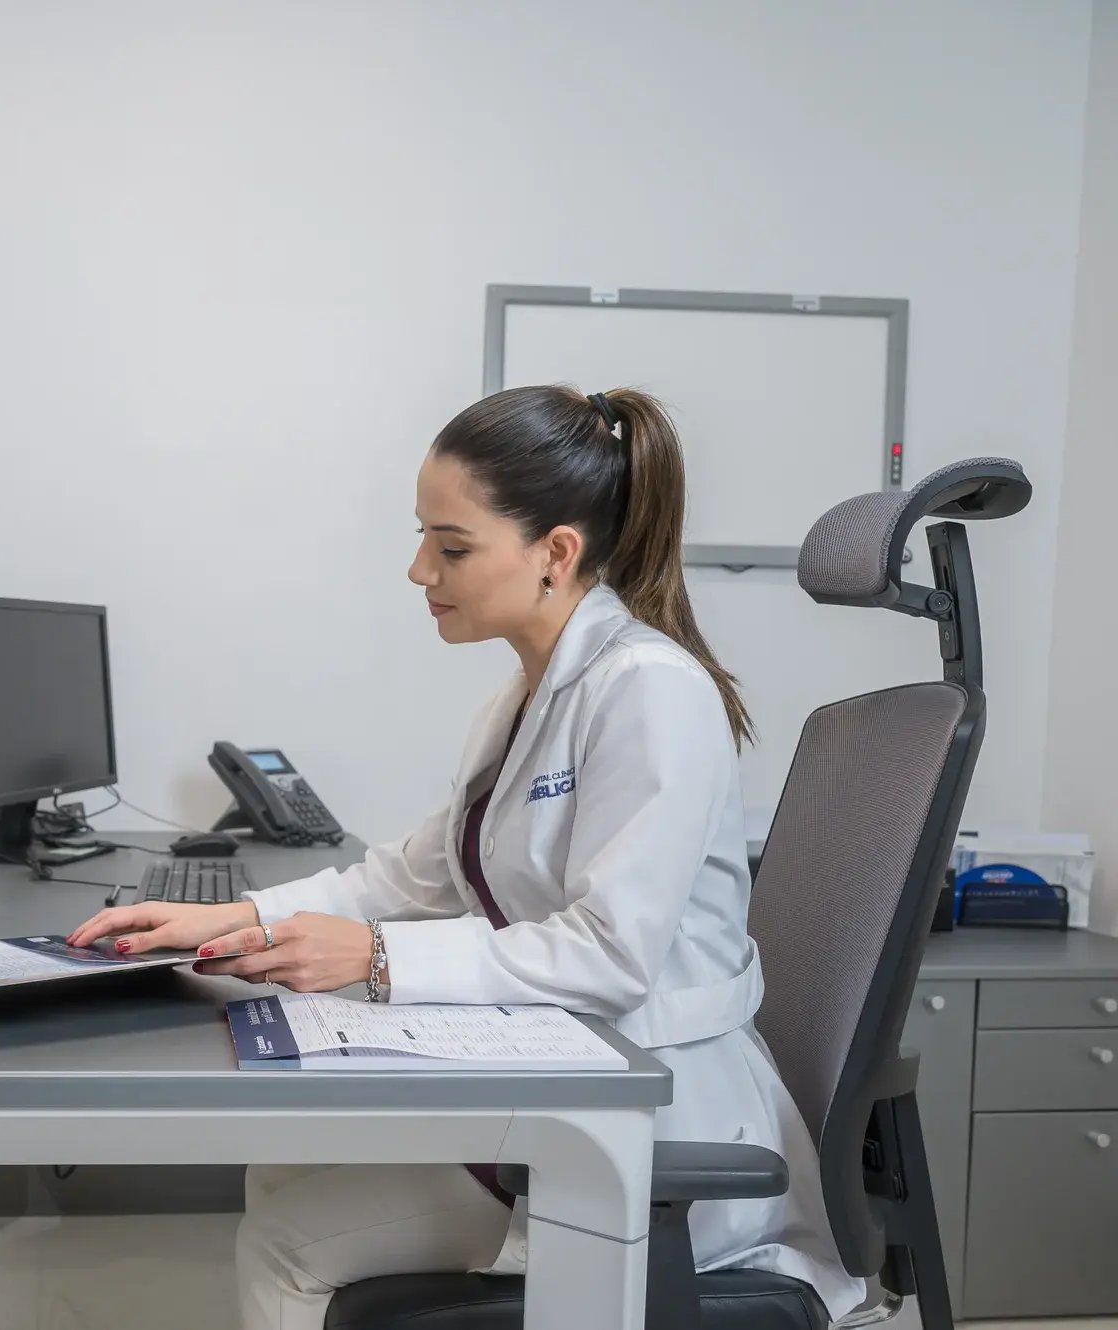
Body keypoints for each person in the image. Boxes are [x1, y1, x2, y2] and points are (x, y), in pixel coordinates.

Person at [70, 385, 863, 1330]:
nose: (419, 570)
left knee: (285, 1243)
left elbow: (610, 955)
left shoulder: (652, 691)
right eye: (423, 540)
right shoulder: (527, 694)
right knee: (283, 1164)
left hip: (647, 1123)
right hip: (564, 1081)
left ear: (554, 554)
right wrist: (230, 919)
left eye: (451, 547)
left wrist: (370, 960)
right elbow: (412, 875)